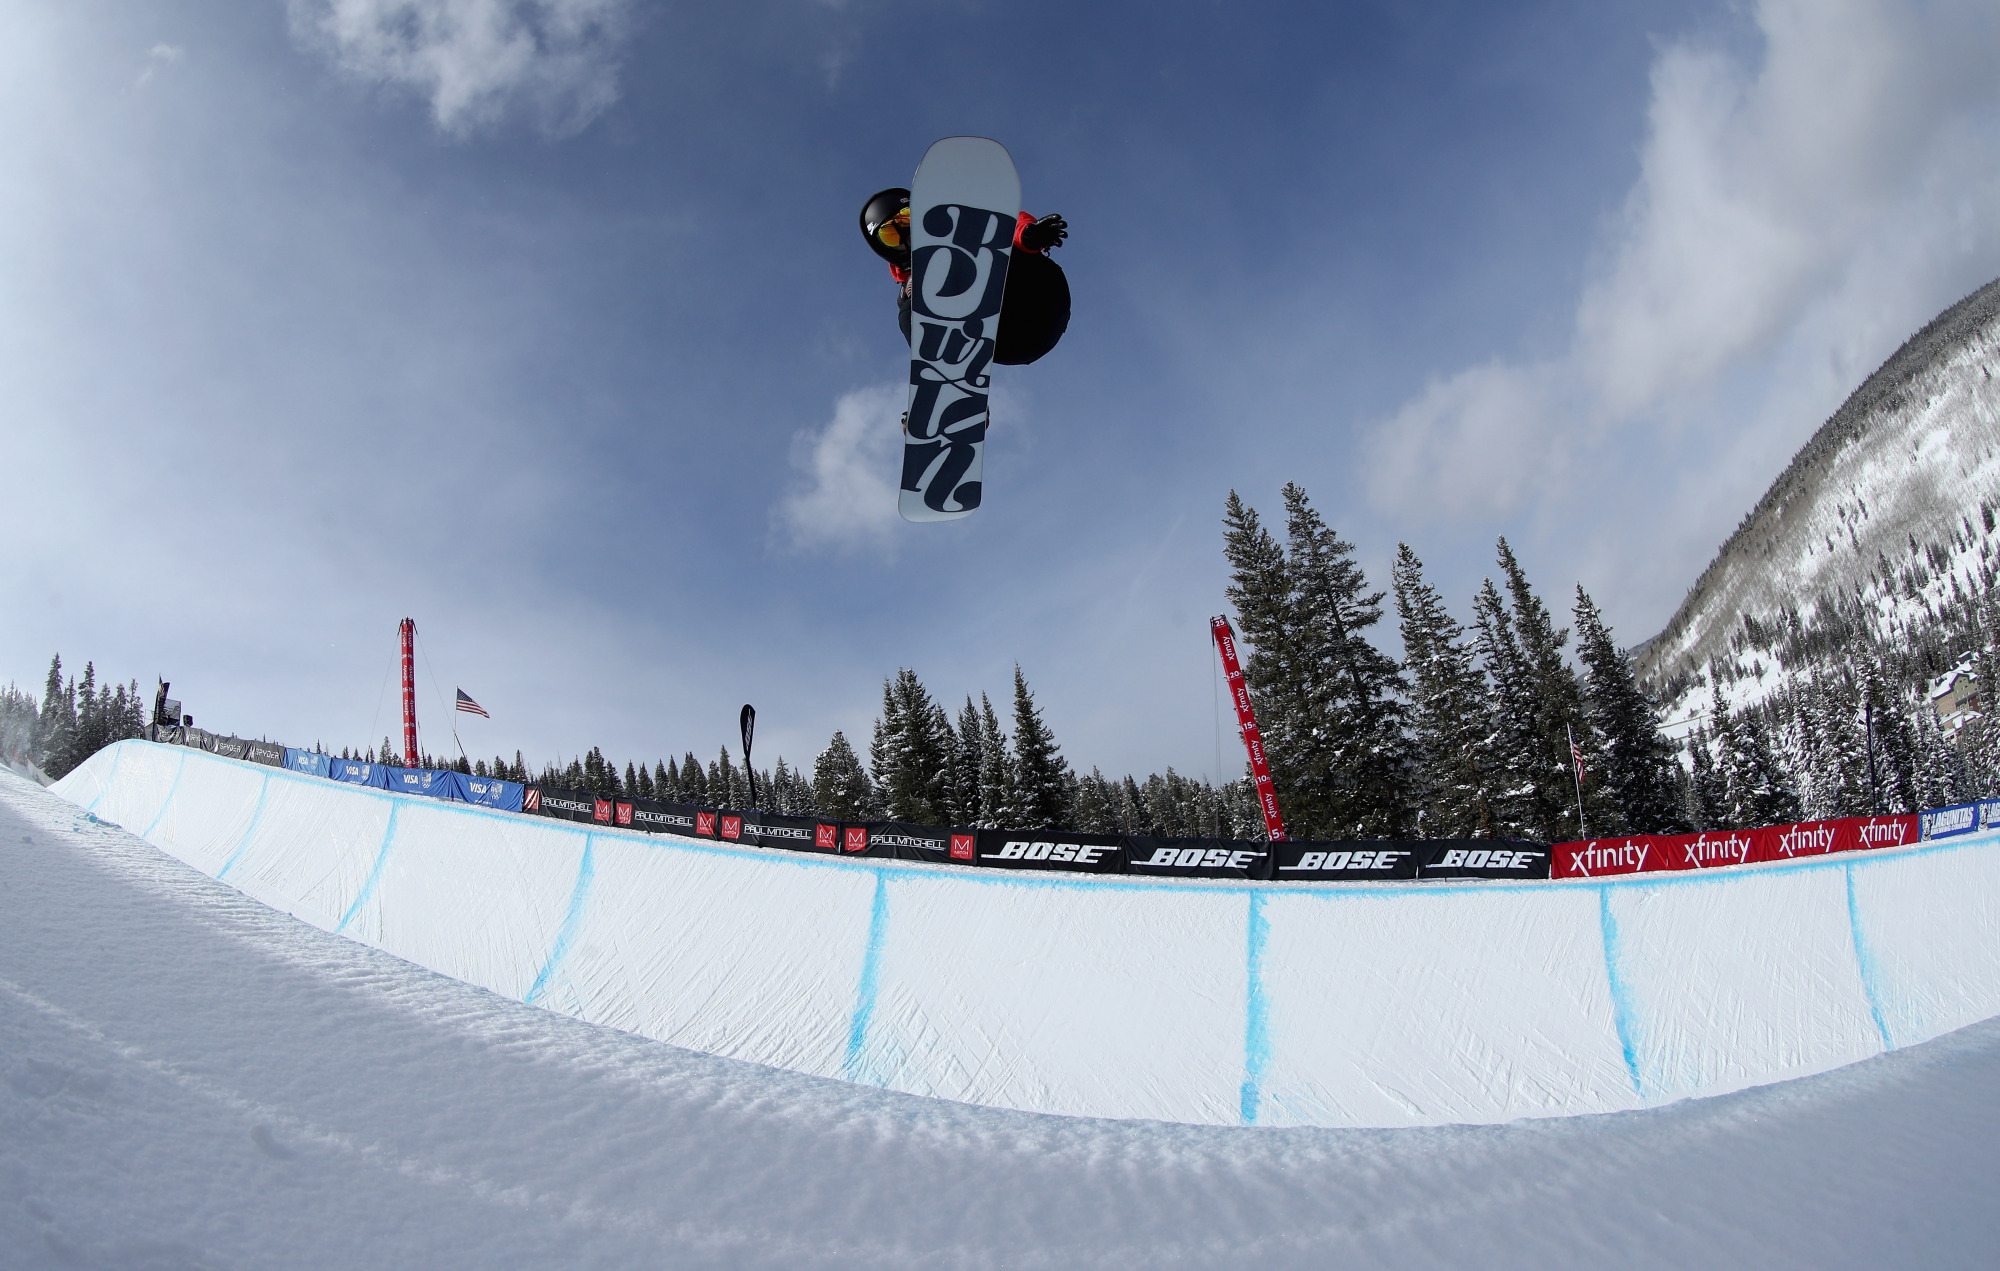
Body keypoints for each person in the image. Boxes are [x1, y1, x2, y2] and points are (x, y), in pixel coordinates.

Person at [859, 188, 1071, 365]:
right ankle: (946, 379)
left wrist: (1028, 235)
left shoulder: (957, 225)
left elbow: (1001, 221)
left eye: (906, 219)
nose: (907, 234)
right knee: (910, 307)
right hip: (1008, 339)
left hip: (1040, 297)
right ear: (884, 249)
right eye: (891, 235)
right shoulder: (912, 291)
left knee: (972, 243)